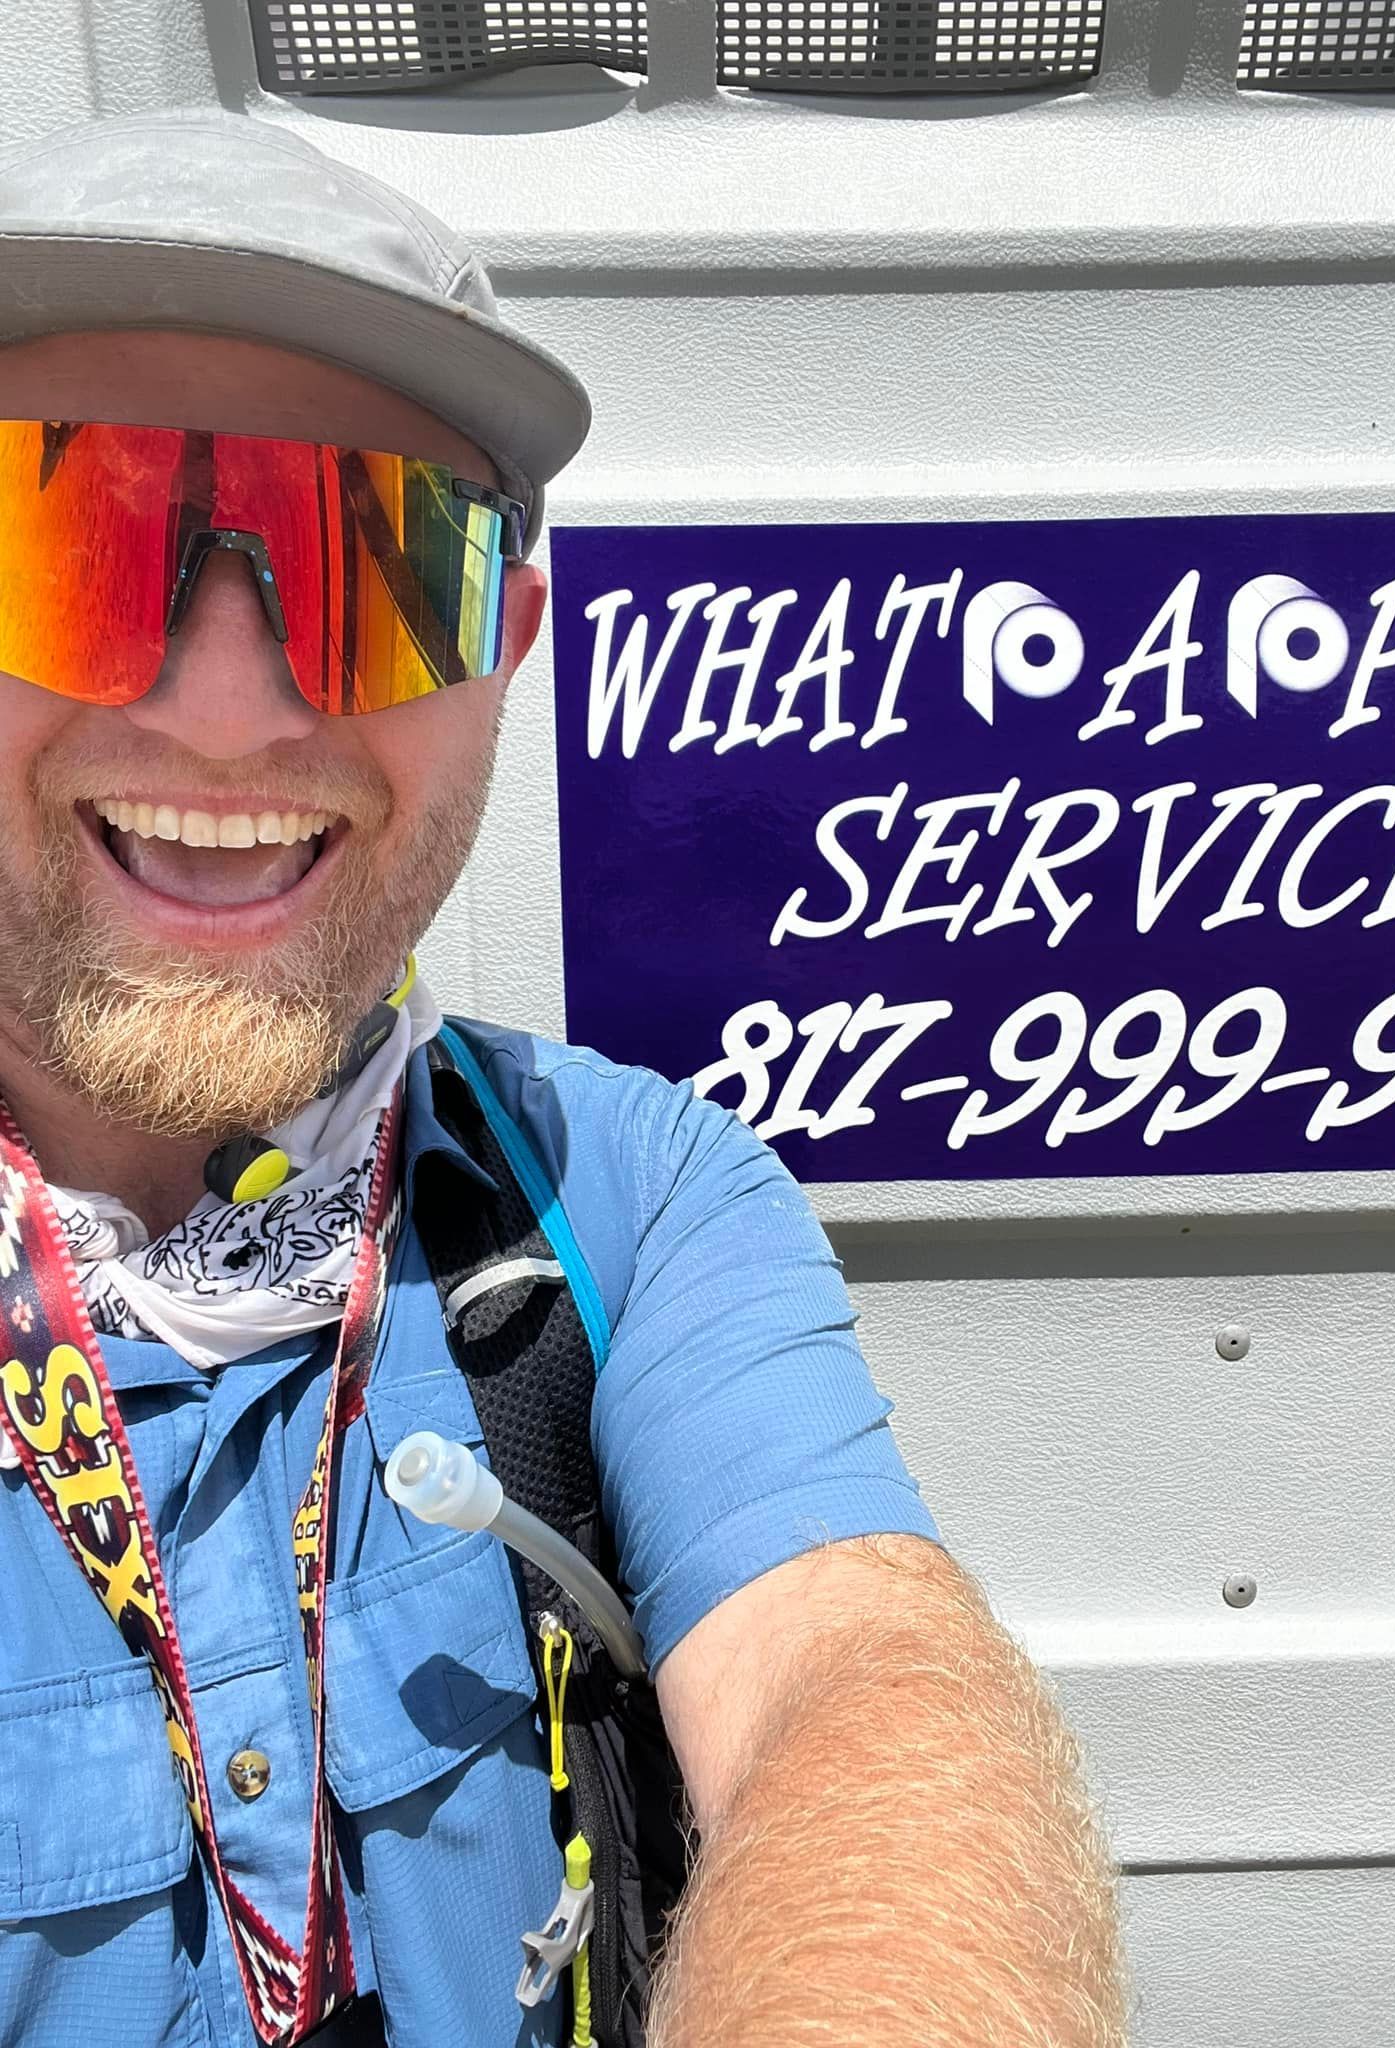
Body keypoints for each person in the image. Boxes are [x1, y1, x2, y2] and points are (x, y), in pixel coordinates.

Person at [0, 108, 1125, 2048]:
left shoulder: (626, 1189)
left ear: (505, 646)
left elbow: (846, 1679)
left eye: (374, 561)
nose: (229, 699)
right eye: (67, 529)